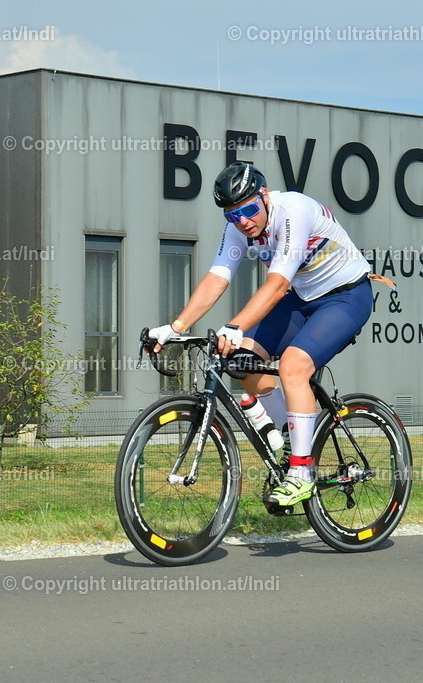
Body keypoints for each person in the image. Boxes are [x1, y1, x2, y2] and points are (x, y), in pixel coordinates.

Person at [149, 161, 375, 507]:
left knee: (293, 367)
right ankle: (286, 433)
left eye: (249, 210)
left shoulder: (294, 210)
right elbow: (217, 277)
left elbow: (277, 283)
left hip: (346, 296)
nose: (242, 221)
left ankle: (301, 472)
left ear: (265, 197)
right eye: (232, 215)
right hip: (302, 300)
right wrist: (175, 327)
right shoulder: (240, 228)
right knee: (241, 362)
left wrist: (235, 325)